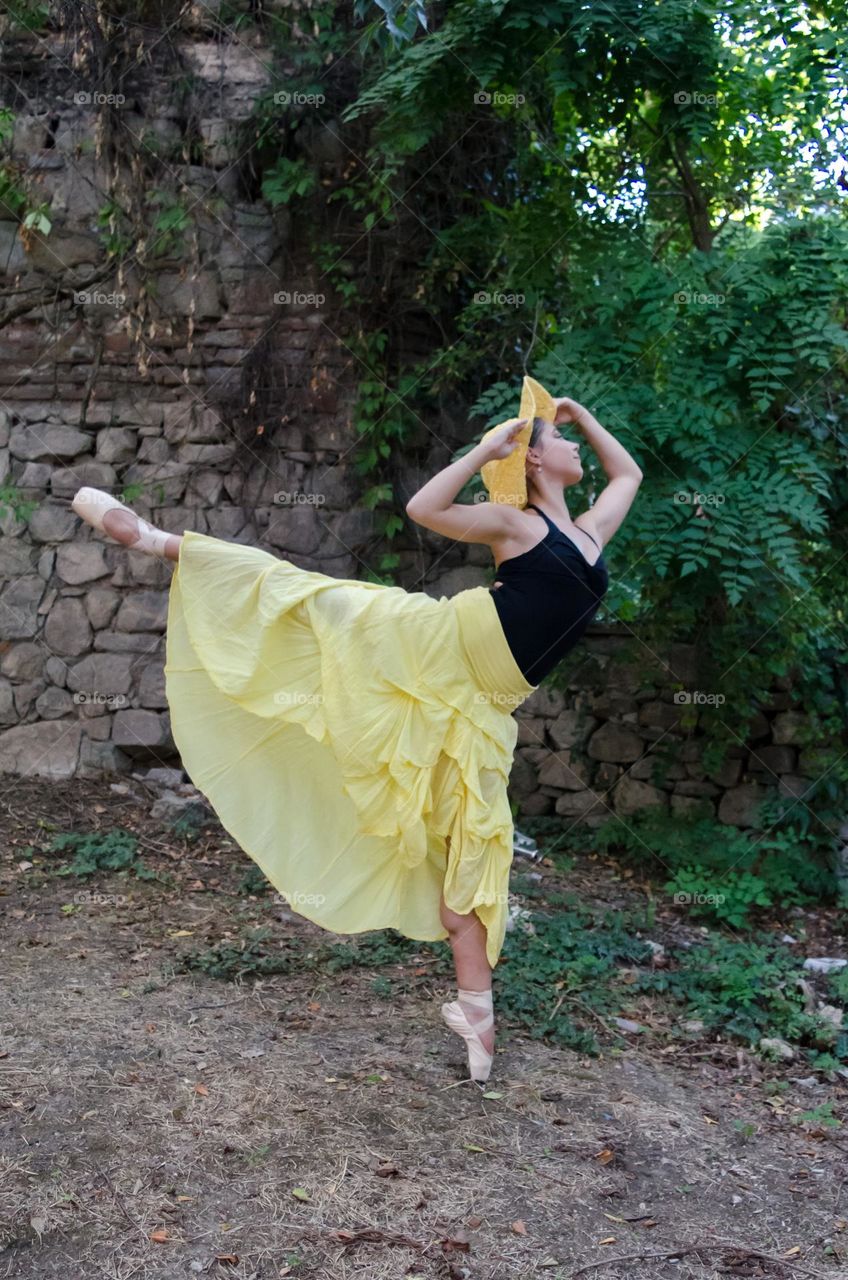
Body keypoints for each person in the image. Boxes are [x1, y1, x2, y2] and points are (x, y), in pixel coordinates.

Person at [69, 376, 642, 1086]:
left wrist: (579, 413)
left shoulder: (588, 534)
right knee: (319, 601)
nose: (576, 446)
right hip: (434, 647)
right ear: (531, 461)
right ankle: (156, 540)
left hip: (481, 707)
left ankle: (476, 1015)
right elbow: (422, 508)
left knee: (473, 849)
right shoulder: (516, 526)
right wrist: (485, 448)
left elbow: (630, 473)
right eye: (563, 440)